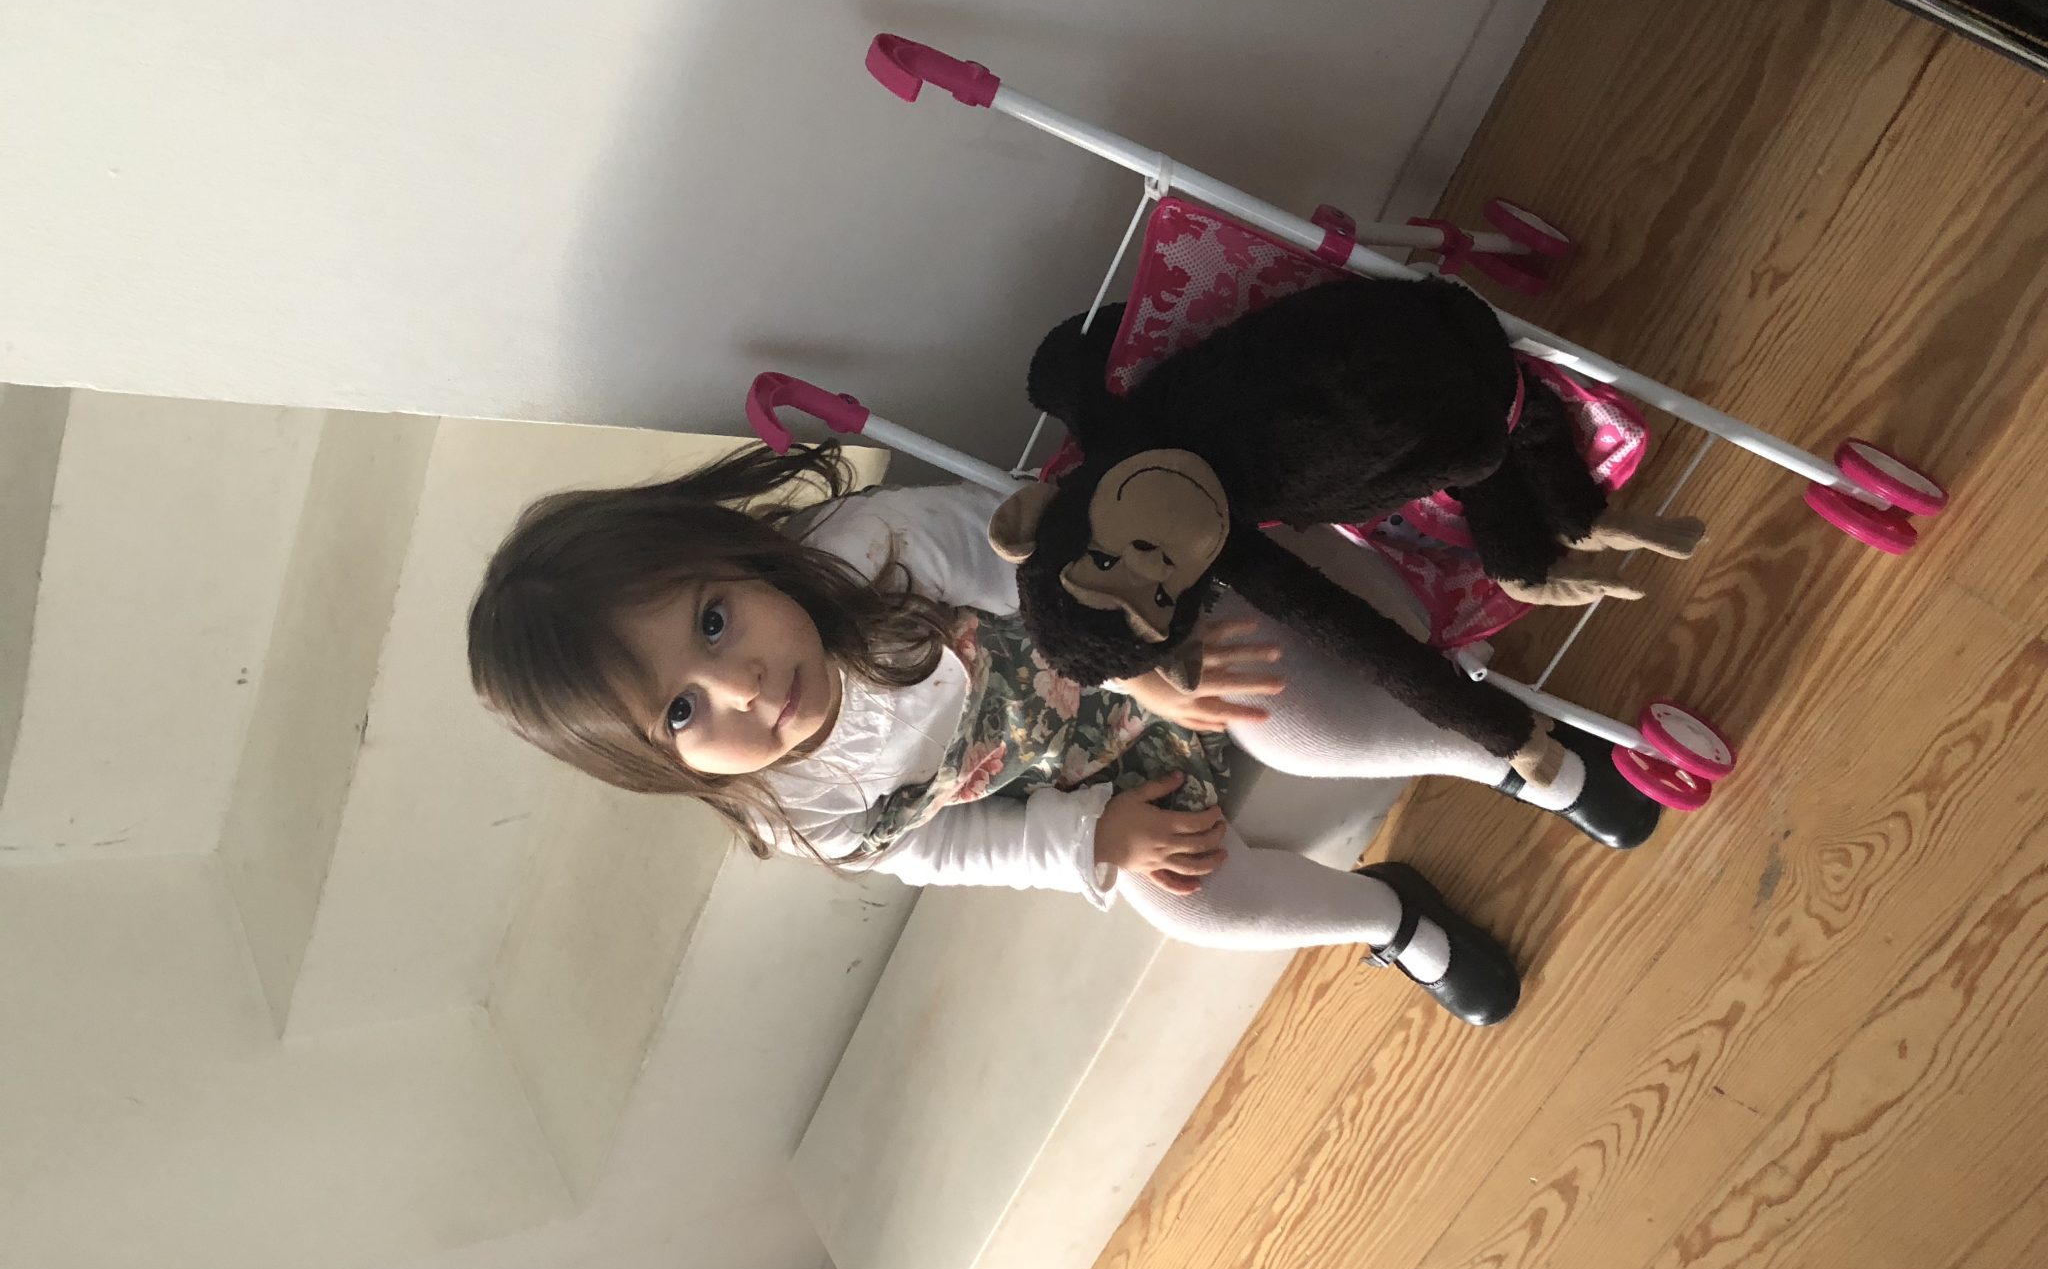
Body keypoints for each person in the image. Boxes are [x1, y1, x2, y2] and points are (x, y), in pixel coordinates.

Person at [467, 442, 1660, 1027]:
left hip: (1135, 621)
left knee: (1295, 722)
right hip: (1101, 765)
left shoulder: (875, 556)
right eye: (681, 712)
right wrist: (1093, 838)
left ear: (734, 560)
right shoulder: (797, 810)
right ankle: (1391, 919)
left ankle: (1518, 755)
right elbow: (938, 848)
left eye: (713, 621)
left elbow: (1054, 572)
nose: (739, 687)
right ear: (662, 766)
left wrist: (1151, 672)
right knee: (1194, 906)